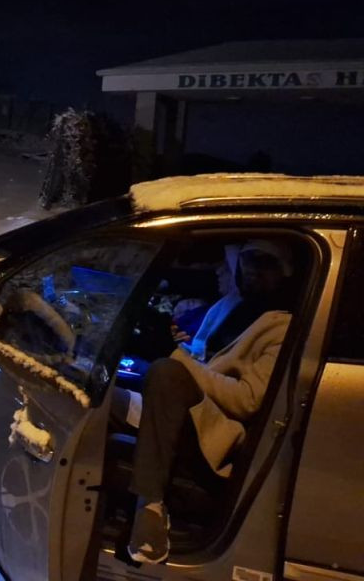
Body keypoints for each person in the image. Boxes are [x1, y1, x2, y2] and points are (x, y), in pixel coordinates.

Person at [124, 240, 295, 564]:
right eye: (249, 260)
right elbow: (203, 359)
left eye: (266, 262)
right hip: (191, 407)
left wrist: (179, 362)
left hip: (217, 432)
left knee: (166, 372)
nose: (255, 269)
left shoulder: (282, 326)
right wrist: (172, 343)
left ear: (284, 272)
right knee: (111, 393)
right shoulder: (231, 304)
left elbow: (248, 400)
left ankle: (150, 507)